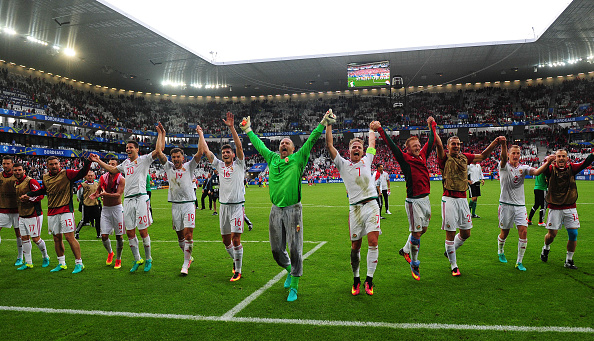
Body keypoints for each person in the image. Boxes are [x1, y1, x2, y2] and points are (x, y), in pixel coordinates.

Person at [240, 109, 335, 301]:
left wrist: (323, 123)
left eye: (288, 143)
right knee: (276, 249)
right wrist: (248, 130)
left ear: (293, 148)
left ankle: (295, 285)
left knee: (295, 247)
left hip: (293, 210)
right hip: (275, 209)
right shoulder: (273, 159)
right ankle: (289, 269)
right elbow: (259, 146)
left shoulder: (298, 159)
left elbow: (311, 140)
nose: (284, 144)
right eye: (282, 143)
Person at [90, 122, 165, 272]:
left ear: (137, 149)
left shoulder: (144, 160)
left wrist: (161, 135)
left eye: (131, 147)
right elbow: (112, 168)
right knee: (130, 232)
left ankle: (149, 258)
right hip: (128, 200)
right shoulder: (125, 163)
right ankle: (137, 259)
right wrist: (98, 161)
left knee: (143, 231)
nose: (128, 149)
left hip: (141, 198)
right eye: (127, 148)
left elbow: (159, 150)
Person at [372, 117, 438, 281]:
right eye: (414, 146)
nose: (418, 147)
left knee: (423, 231)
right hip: (413, 201)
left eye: (418, 145)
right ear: (407, 149)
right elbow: (391, 145)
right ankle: (414, 264)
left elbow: (431, 141)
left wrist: (432, 125)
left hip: (426, 200)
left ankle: (405, 250)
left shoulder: (422, 156)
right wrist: (380, 129)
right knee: (416, 234)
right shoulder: (404, 159)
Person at [437, 135, 504, 276]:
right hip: (449, 198)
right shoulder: (444, 158)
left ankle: (450, 251)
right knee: (450, 233)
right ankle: (454, 266)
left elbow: (483, 156)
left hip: (462, 199)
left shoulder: (465, 157)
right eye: (453, 144)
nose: (456, 146)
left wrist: (495, 142)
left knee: (466, 233)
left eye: (458, 144)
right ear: (448, 147)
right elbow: (437, 144)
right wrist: (433, 128)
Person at [327, 121, 380, 295]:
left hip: (372, 204)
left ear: (362, 151)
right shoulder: (342, 164)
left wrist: (371, 130)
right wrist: (328, 124)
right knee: (355, 246)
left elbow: (372, 143)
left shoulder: (368, 159)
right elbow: (329, 145)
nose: (356, 149)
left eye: (359, 146)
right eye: (353, 147)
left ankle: (369, 280)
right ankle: (356, 279)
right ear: (349, 151)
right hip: (355, 209)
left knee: (373, 242)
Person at [21, 155, 94, 274]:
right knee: (56, 238)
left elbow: (82, 173)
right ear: (47, 165)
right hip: (52, 211)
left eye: (56, 163)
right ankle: (61, 263)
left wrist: (88, 162)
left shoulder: (67, 174)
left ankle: (79, 263)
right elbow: (44, 190)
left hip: (66, 210)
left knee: (70, 237)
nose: (54, 166)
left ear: (60, 164)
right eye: (51, 164)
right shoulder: (45, 177)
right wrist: (29, 194)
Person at [198, 111, 246, 281]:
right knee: (226, 241)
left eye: (228, 152)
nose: (225, 154)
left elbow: (239, 147)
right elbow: (206, 151)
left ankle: (238, 270)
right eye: (223, 152)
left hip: (237, 207)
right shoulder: (219, 166)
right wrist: (201, 134)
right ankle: (236, 261)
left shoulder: (239, 164)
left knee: (235, 239)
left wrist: (232, 128)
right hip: (224, 207)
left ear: (232, 155)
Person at [497, 142, 551, 271]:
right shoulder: (503, 166)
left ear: (520, 155)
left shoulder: (524, 168)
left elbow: (537, 172)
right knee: (504, 233)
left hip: (520, 206)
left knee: (524, 232)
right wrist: (504, 145)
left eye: (518, 153)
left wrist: (548, 162)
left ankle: (519, 262)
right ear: (509, 154)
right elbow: (503, 158)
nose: (515, 156)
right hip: (505, 205)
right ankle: (500, 250)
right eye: (513, 153)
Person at [540, 149, 594, 269]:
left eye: (563, 156)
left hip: (570, 206)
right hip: (554, 207)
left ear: (567, 158)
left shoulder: (572, 168)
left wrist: (592, 155)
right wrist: (547, 162)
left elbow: (584, 163)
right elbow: (543, 171)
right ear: (556, 158)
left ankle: (569, 260)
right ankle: (546, 247)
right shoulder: (550, 169)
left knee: (573, 233)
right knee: (552, 235)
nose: (561, 158)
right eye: (559, 156)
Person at [156, 140, 201, 276]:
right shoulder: (168, 167)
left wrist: (200, 135)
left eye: (178, 157)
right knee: (180, 236)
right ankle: (189, 257)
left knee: (188, 234)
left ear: (183, 158)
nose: (176, 159)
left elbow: (199, 153)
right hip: (175, 206)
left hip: (188, 204)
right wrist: (161, 135)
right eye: (173, 157)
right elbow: (158, 152)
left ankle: (185, 264)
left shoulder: (189, 166)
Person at [89, 159, 125, 269]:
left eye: (113, 164)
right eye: (109, 164)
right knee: (104, 236)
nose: (110, 166)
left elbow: (118, 194)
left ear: (117, 166)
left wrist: (105, 194)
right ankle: (110, 253)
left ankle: (118, 259)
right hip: (105, 209)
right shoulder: (103, 177)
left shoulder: (121, 179)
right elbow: (98, 190)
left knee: (119, 236)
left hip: (117, 209)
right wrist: (95, 195)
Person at [13, 163, 50, 270]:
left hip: (34, 214)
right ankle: (28, 262)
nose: (17, 172)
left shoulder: (31, 181)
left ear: (24, 171)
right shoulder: (15, 182)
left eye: (19, 170)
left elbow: (41, 195)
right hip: (22, 214)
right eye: (15, 170)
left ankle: (45, 257)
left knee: (35, 238)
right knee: (24, 238)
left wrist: (29, 198)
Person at [0, 155, 23, 266]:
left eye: (8, 163)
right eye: (4, 163)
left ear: (12, 164)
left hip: (16, 209)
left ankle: (20, 257)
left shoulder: (17, 176)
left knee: (18, 233)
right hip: (2, 208)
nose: (5, 165)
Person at [75, 171, 102, 239]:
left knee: (98, 219)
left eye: (91, 175)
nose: (90, 177)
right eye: (88, 175)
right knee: (84, 220)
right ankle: (77, 232)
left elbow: (100, 191)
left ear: (94, 176)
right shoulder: (83, 185)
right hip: (86, 205)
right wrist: (82, 202)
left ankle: (99, 234)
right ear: (85, 177)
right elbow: (79, 194)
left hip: (95, 204)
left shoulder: (96, 184)